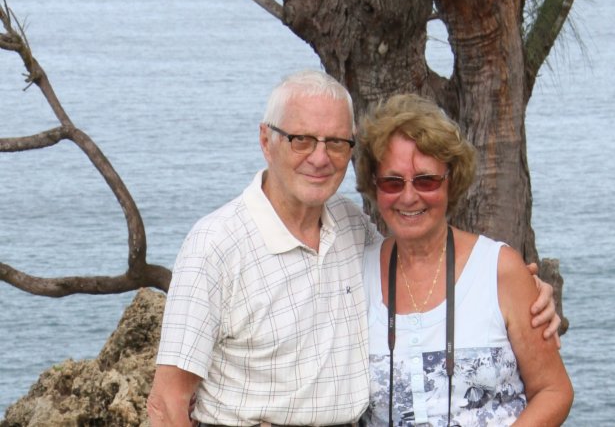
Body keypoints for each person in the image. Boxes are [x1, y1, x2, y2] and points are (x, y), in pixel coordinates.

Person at [147, 71, 560, 427]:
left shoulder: (351, 231)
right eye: (301, 140)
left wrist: (528, 293)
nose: (319, 158)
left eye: (335, 142)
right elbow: (166, 403)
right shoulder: (216, 245)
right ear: (266, 140)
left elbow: (428, 267)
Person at [354, 93, 573, 426]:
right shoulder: (356, 275)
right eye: (392, 182)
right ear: (374, 186)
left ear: (451, 180)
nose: (409, 196)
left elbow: (554, 390)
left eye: (426, 180)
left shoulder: (499, 270)